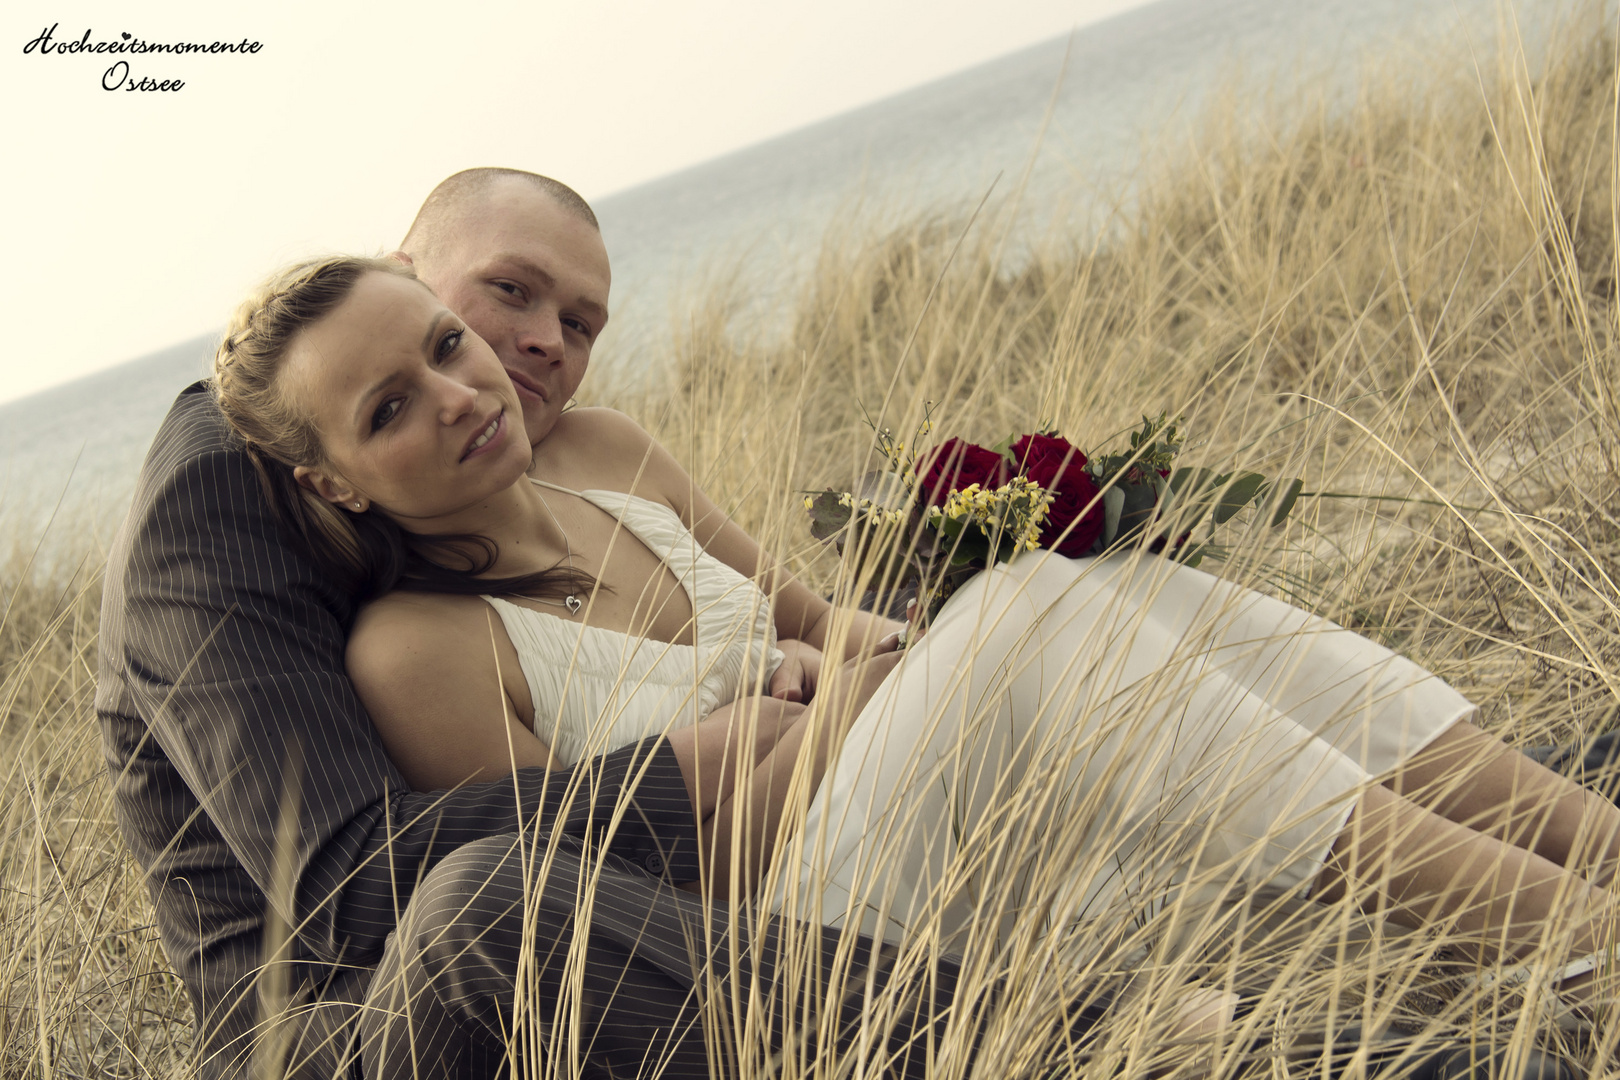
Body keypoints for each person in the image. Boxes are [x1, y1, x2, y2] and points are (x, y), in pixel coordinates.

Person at [209, 237, 1620, 1063]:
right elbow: (619, 903)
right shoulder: (419, 649)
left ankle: (1586, 849)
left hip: (916, 812)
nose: (462, 392)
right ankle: (1566, 938)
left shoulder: (611, 464)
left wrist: (894, 644)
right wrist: (857, 706)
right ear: (334, 480)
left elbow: (819, 623)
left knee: (1117, 583)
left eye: (448, 345)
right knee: (1019, 625)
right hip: (817, 935)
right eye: (390, 409)